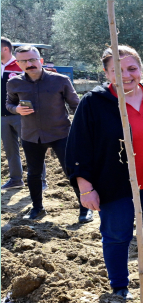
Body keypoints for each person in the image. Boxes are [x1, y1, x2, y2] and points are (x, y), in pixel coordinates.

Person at [66, 45, 143, 299]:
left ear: (141, 69)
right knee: (117, 234)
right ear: (106, 73)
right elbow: (78, 147)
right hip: (113, 182)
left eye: (132, 68)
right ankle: (119, 285)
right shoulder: (93, 102)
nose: (126, 75)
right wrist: (85, 187)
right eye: (117, 70)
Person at [6, 45, 91, 222]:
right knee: (33, 174)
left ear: (40, 60)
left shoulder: (60, 80)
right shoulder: (14, 83)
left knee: (72, 171)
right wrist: (16, 109)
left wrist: (83, 128)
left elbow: (76, 105)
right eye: (23, 61)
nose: (28, 64)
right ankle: (37, 208)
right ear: (18, 64)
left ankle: (84, 209)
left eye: (32, 59)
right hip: (30, 136)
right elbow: (9, 104)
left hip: (60, 134)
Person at [1, 37, 47, 190]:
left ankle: (41, 181)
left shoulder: (22, 65)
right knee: (10, 150)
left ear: (5, 49)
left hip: (24, 115)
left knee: (33, 148)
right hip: (3, 116)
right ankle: (15, 179)